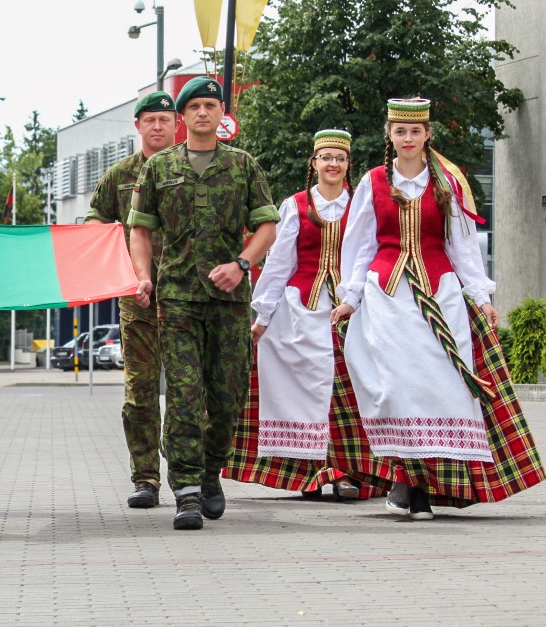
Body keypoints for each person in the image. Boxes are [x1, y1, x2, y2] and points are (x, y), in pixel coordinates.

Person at [333, 98, 544, 519]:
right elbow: (359, 246)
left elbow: (462, 247)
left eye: (415, 131)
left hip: (439, 295)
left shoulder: (447, 182)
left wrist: (481, 297)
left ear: (427, 134)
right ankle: (405, 478)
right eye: (400, 131)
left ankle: (424, 485)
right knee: (394, 390)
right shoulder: (374, 182)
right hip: (387, 298)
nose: (407, 139)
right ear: (389, 136)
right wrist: (350, 296)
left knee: (437, 389)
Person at [127, 76, 280, 530]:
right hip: (177, 299)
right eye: (193, 107)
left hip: (230, 302)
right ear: (182, 117)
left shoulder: (243, 165)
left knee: (227, 396)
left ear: (221, 114)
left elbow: (268, 227)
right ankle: (188, 490)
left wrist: (242, 263)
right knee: (184, 395)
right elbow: (140, 229)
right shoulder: (158, 168)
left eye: (210, 105)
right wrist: (143, 277)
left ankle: (212, 470)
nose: (202, 113)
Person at [223, 129, 390, 500]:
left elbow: (368, 254)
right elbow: (280, 262)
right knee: (301, 391)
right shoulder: (295, 205)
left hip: (350, 310)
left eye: (340, 158)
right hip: (301, 308)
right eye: (326, 157)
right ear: (313, 163)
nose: (333, 164)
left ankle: (349, 472)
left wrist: (361, 296)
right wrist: (263, 316)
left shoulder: (361, 205)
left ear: (349, 165)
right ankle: (311, 473)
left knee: (347, 393)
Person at [84, 91, 179, 509]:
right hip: (136, 299)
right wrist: (108, 242)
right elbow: (93, 220)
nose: (157, 126)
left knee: (187, 391)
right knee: (140, 391)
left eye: (164, 119)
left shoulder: (190, 170)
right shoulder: (120, 176)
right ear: (137, 126)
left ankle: (186, 472)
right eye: (149, 120)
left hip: (187, 297)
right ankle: (145, 477)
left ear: (176, 124)